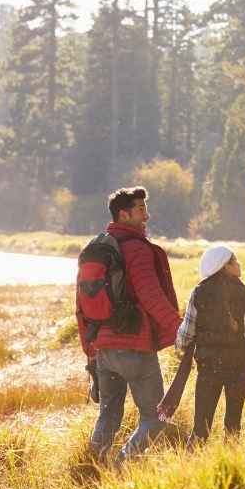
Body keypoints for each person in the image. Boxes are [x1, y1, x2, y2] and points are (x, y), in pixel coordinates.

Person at [78, 186, 180, 464]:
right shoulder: (136, 249)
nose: (147, 216)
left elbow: (81, 308)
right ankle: (122, 465)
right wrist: (180, 328)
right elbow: (151, 295)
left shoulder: (96, 250)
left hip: (103, 349)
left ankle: (93, 468)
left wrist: (90, 351)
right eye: (141, 210)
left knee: (109, 414)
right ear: (124, 214)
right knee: (156, 416)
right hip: (134, 346)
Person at [172, 245, 245, 445]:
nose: (239, 263)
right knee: (233, 428)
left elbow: (184, 336)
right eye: (234, 261)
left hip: (209, 368)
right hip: (239, 369)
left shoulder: (198, 293)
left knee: (201, 428)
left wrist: (181, 347)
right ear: (224, 267)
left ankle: (191, 468)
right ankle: (230, 470)